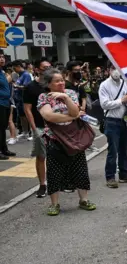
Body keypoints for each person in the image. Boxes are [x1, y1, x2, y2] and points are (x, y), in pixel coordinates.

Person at [37, 68, 96, 216]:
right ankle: (54, 204)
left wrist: (66, 98)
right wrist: (71, 118)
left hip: (74, 138)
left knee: (80, 170)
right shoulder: (43, 97)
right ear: (48, 83)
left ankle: (84, 200)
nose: (61, 83)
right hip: (55, 139)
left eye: (62, 80)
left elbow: (75, 112)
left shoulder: (70, 93)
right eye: (57, 81)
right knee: (54, 172)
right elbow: (49, 116)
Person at [99, 63, 127, 188]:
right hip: (112, 121)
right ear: (108, 70)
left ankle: (124, 173)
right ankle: (110, 177)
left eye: (118, 68)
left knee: (124, 149)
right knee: (113, 150)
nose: (116, 71)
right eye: (113, 68)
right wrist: (121, 101)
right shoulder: (104, 85)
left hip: (125, 121)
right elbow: (104, 104)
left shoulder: (125, 83)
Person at [24, 57, 51, 197]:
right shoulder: (30, 87)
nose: (47, 70)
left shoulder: (53, 84)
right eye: (44, 68)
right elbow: (28, 109)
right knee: (41, 156)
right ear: (36, 70)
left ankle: (58, 182)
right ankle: (42, 184)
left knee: (58, 155)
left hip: (55, 126)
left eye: (49, 67)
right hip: (40, 126)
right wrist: (34, 128)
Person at [0, 50, 16, 159]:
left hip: (5, 103)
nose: (2, 59)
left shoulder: (2, 72)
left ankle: (4, 149)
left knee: (3, 127)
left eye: (2, 57)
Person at [12, 60, 32, 140]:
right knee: (22, 116)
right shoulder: (19, 75)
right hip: (19, 99)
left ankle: (31, 133)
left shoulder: (26, 75)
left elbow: (26, 87)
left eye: (14, 68)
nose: (14, 70)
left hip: (24, 98)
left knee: (27, 116)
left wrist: (16, 86)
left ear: (18, 66)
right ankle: (25, 132)